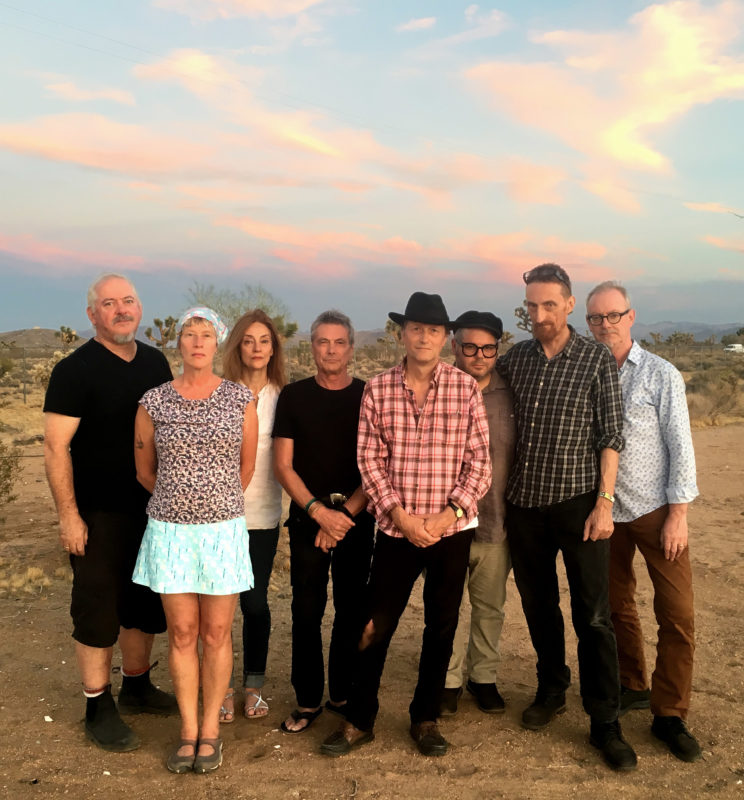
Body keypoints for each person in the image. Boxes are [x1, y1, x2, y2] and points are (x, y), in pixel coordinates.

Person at [321, 292, 491, 758]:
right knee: (375, 624)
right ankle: (360, 719)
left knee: (441, 625)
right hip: (396, 531)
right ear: (402, 334)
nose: (424, 336)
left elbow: (480, 463)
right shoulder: (378, 390)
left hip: (449, 533)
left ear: (445, 338)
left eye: (433, 330)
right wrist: (398, 514)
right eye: (415, 328)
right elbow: (370, 461)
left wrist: (445, 516)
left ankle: (426, 718)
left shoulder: (465, 389)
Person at [496, 264, 637, 772]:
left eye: (549, 305)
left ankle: (605, 721)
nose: (539, 315)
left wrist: (605, 503)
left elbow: (610, 436)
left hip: (580, 505)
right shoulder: (517, 361)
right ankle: (552, 687)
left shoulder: (596, 359)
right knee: (538, 605)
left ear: (570, 304)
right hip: (525, 505)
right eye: (531, 306)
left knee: (594, 615)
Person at [43, 273, 177, 753]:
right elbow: (56, 447)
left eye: (128, 301)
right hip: (98, 514)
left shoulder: (157, 362)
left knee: (143, 605)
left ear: (139, 308)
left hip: (152, 511)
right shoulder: (74, 371)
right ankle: (97, 705)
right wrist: (68, 516)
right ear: (92, 315)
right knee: (99, 608)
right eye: (109, 303)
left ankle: (137, 685)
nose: (121, 309)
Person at [132, 307, 258, 774]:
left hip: (222, 532)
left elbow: (244, 469)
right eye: (189, 333)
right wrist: (179, 502)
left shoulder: (239, 399)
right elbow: (145, 472)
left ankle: (211, 731)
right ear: (178, 342)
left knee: (216, 632)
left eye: (207, 334)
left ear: (218, 342)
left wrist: (210, 503)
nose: (198, 342)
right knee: (183, 633)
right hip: (170, 532)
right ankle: (188, 731)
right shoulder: (154, 401)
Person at [586, 281, 701, 762]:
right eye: (596, 318)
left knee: (677, 614)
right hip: (604, 512)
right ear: (588, 324)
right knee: (616, 609)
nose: (606, 325)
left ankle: (669, 712)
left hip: (656, 511)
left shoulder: (660, 374)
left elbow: (681, 445)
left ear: (631, 316)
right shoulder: (585, 372)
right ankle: (631, 684)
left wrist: (679, 515)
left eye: (614, 315)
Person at [273, 310, 375, 735]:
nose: (330, 350)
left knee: (351, 608)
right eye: (321, 342)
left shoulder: (369, 396)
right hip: (307, 519)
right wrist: (318, 513)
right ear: (310, 346)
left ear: (351, 349)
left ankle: (342, 692)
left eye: (338, 343)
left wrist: (343, 517)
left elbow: (378, 465)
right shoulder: (294, 397)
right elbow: (283, 465)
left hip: (355, 518)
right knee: (307, 609)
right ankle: (308, 698)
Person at [440, 310, 515, 716]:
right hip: (446, 522)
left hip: (495, 520)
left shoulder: (511, 392)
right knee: (446, 604)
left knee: (490, 606)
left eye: (488, 348)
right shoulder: (439, 387)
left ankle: (483, 677)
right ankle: (447, 680)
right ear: (455, 347)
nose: (479, 355)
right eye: (470, 346)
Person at [219, 309, 286, 722]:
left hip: (264, 515)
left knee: (255, 604)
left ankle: (254, 687)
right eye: (248, 340)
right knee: (220, 608)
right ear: (238, 346)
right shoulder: (221, 393)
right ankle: (223, 688)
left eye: (264, 340)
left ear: (273, 347)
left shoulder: (286, 395)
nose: (257, 348)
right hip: (221, 516)